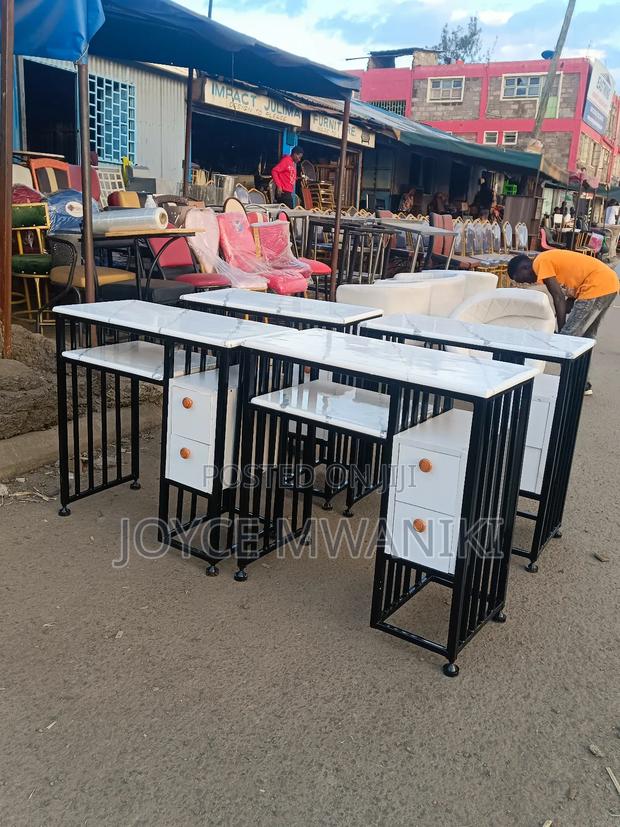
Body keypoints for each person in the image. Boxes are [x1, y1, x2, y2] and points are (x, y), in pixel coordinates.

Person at [508, 250, 619, 394]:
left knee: (568, 340)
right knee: (585, 340)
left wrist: (562, 331)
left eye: (522, 280)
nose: (527, 282)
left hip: (595, 287)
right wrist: (564, 307)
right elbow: (570, 291)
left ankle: (568, 385)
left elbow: (558, 297)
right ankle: (582, 384)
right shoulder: (548, 260)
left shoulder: (540, 262)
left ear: (524, 268)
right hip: (608, 284)